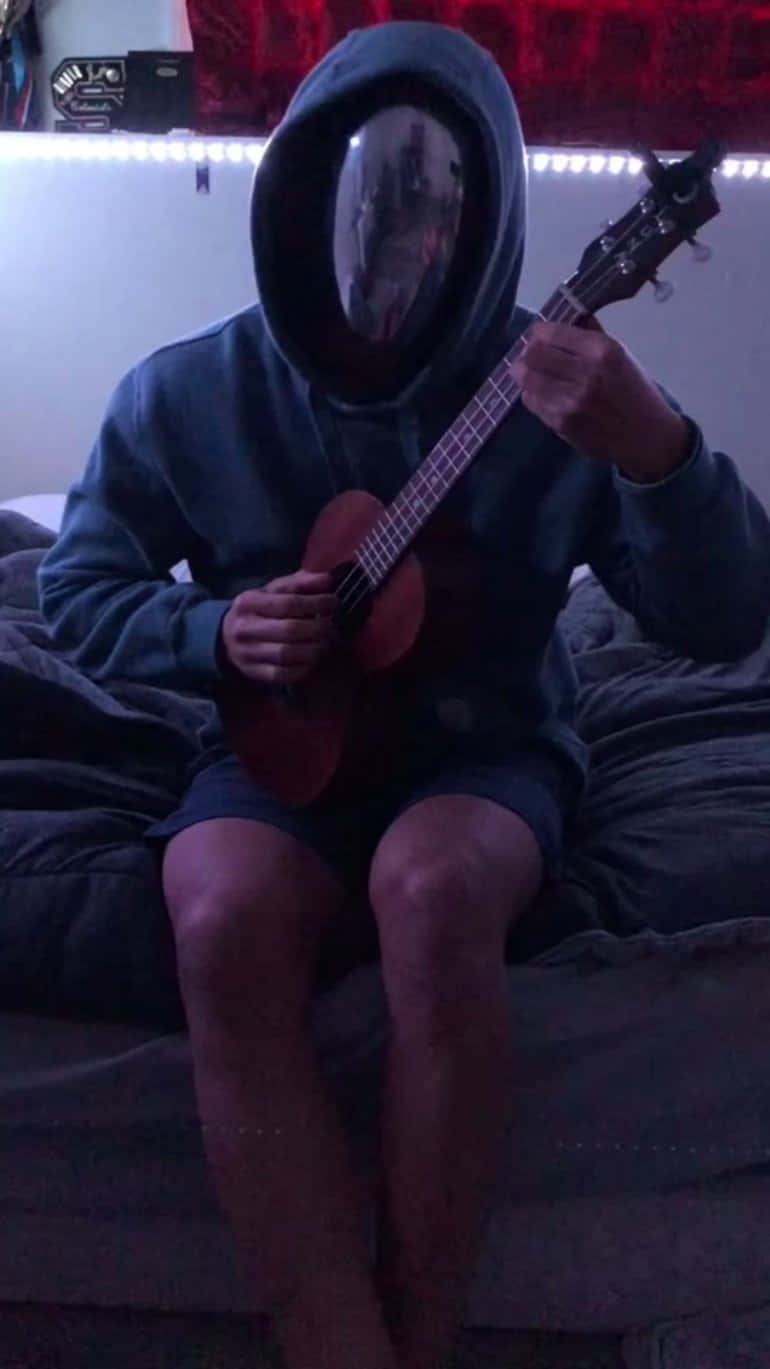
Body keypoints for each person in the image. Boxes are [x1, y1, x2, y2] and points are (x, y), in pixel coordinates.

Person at [38, 20, 770, 1369]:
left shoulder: (551, 391)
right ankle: (332, 1338)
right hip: (277, 750)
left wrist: (658, 453)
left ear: (488, 213)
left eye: (434, 201)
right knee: (219, 915)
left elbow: (724, 617)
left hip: (483, 747)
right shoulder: (185, 390)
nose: (393, 236)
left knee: (431, 895)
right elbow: (75, 587)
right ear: (291, 195)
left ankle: (418, 1337)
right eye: (359, 194)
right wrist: (214, 631)